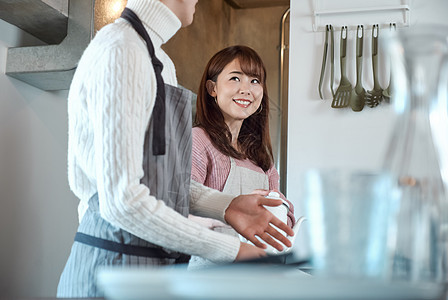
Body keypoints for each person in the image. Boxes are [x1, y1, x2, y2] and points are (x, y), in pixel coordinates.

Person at [56, 0, 293, 297]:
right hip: (111, 269)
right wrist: (232, 250)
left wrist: (227, 205)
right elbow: (122, 200)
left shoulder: (160, 62)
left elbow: (164, 186)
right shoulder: (121, 50)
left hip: (156, 272)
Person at [188, 45, 296, 268]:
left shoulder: (261, 157)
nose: (247, 89)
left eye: (255, 81)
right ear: (212, 88)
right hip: (209, 272)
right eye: (235, 78)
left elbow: (284, 213)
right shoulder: (198, 140)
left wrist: (283, 212)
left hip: (254, 269)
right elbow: (182, 204)